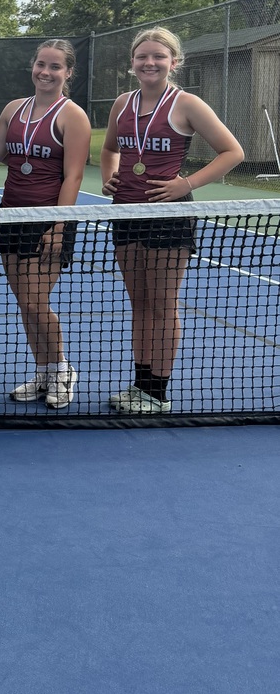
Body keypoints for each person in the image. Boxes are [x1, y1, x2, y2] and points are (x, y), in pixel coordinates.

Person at [100, 26, 244, 413]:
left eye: (159, 57)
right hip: (126, 213)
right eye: (142, 56)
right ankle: (140, 385)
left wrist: (186, 184)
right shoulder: (121, 104)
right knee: (140, 302)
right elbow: (111, 148)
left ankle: (157, 392)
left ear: (173, 62)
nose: (150, 62)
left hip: (170, 216)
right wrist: (108, 176)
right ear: (132, 63)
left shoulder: (188, 104)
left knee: (163, 303)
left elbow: (232, 152)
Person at [0, 39, 91, 408]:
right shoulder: (13, 109)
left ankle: (61, 369)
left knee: (35, 300)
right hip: (10, 216)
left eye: (55, 67)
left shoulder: (73, 116)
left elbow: (73, 177)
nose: (46, 72)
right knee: (25, 304)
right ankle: (42, 371)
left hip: (48, 223)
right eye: (41, 64)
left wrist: (58, 227)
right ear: (33, 66)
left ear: (68, 72)